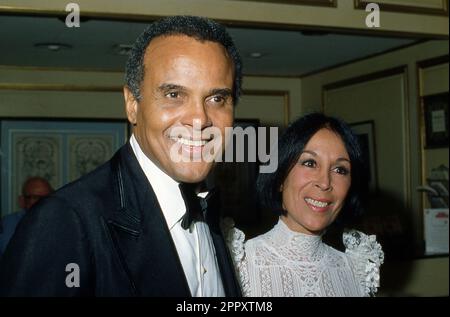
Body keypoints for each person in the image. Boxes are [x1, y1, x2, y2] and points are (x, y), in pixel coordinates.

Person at [0, 15, 242, 296]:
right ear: (132, 105)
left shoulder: (211, 213)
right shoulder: (65, 222)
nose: (200, 119)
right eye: (174, 94)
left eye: (217, 99)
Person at [224, 113, 384, 297]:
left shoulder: (356, 272)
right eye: (310, 163)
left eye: (340, 169)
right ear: (280, 178)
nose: (325, 182)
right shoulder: (238, 264)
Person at [0, 177, 53, 257]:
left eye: (46, 198)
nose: (41, 202)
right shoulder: (8, 224)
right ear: (22, 201)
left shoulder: (61, 221)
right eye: (34, 197)